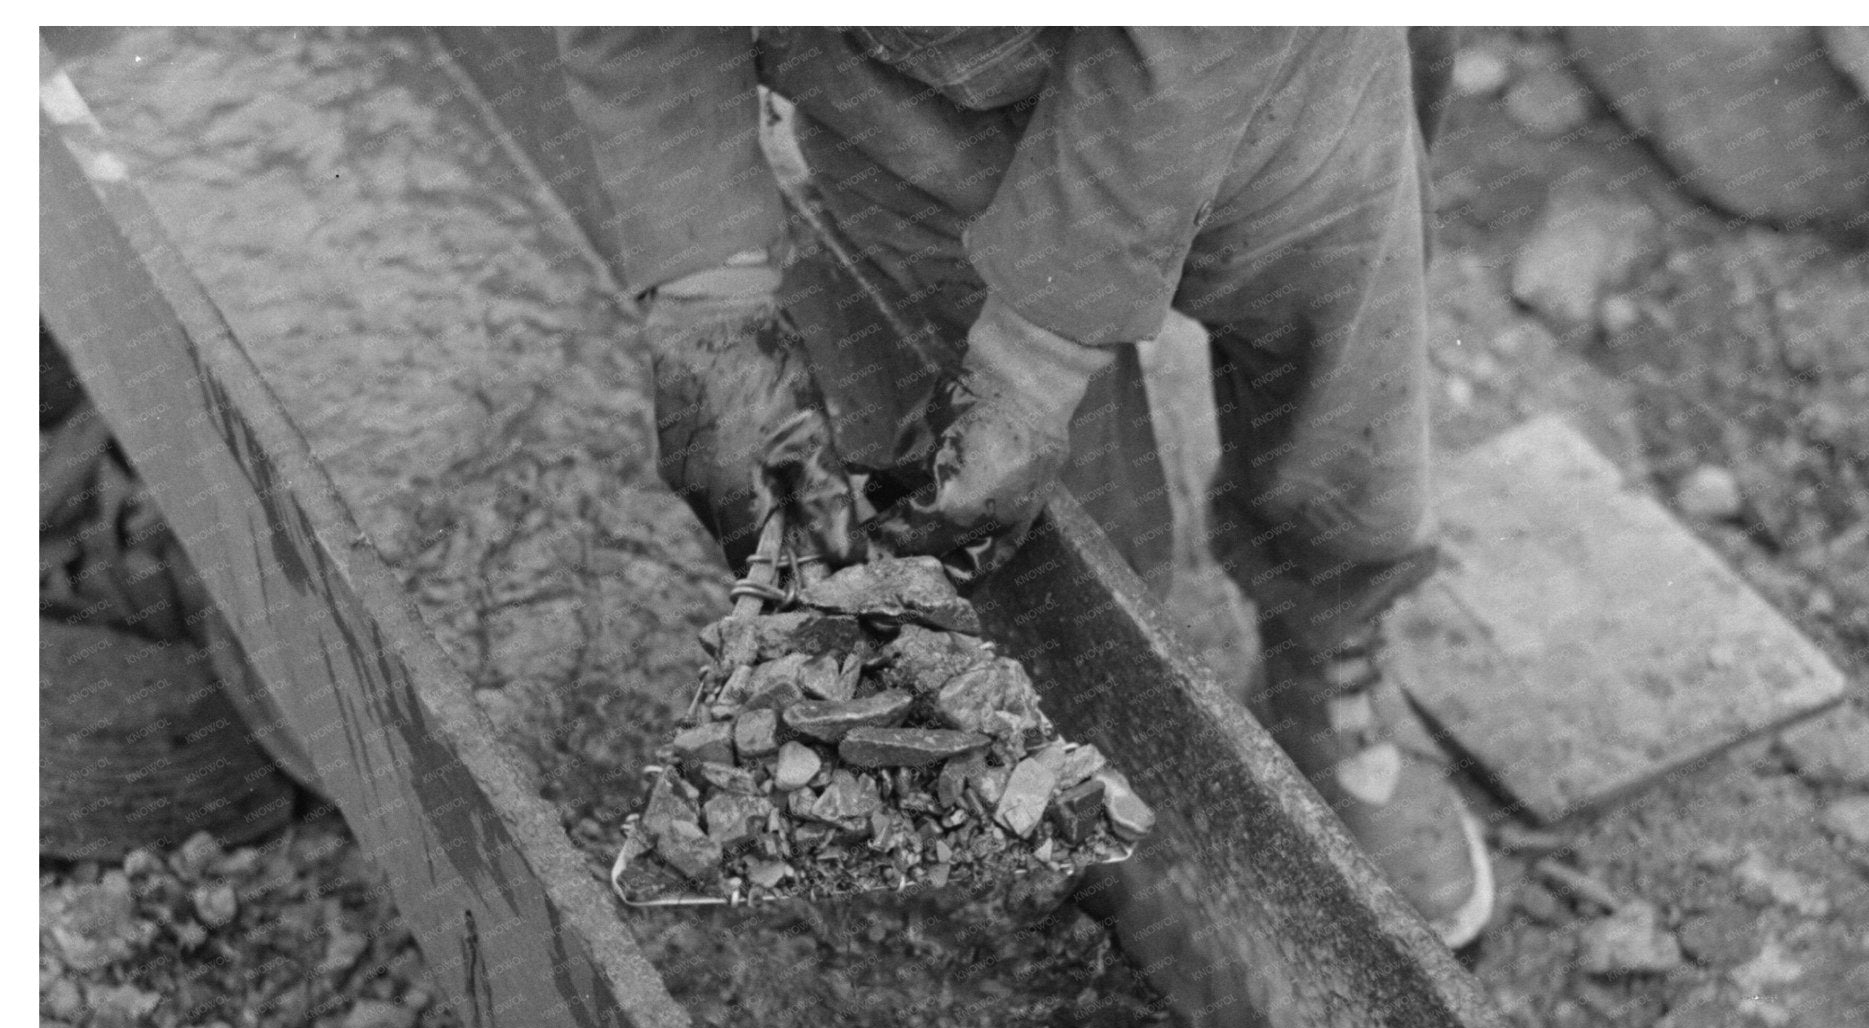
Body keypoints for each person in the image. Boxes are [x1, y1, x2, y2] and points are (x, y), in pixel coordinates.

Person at [558, 27, 1493, 946]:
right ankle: (1111, 741)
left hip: (1261, 67)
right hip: (890, 84)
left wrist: (1035, 354)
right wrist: (705, 291)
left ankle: (1326, 645)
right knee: (1045, 517)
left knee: (1338, 388)